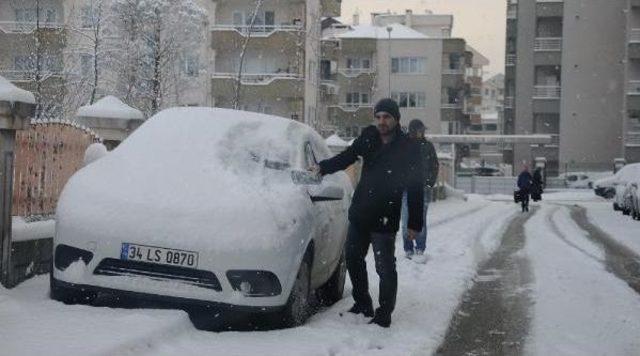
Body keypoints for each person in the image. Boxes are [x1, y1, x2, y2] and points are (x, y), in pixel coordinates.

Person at [310, 98, 424, 328]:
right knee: (353, 259)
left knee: (385, 267)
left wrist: (414, 223)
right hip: (361, 212)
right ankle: (363, 303)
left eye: (387, 117)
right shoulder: (369, 136)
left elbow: (415, 188)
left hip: (385, 215)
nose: (382, 121)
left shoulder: (408, 147)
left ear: (396, 119)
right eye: (379, 117)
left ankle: (384, 313)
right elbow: (347, 156)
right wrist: (323, 167)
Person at [401, 119, 439, 263]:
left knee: (421, 221)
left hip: (423, 189)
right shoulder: (403, 146)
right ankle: (408, 248)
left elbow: (435, 165)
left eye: (423, 130)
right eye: (420, 130)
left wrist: (429, 183)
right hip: (406, 189)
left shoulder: (428, 146)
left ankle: (420, 248)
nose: (422, 132)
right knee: (405, 221)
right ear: (413, 131)